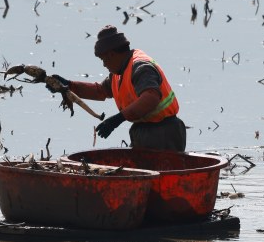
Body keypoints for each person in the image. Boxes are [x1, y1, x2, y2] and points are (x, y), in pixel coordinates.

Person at [47, 25, 186, 151]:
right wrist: (69, 86)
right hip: (143, 130)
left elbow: (151, 97)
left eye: (103, 60)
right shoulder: (118, 73)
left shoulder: (140, 67)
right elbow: (101, 91)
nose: (104, 65)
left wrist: (117, 119)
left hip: (164, 132)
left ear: (111, 54)